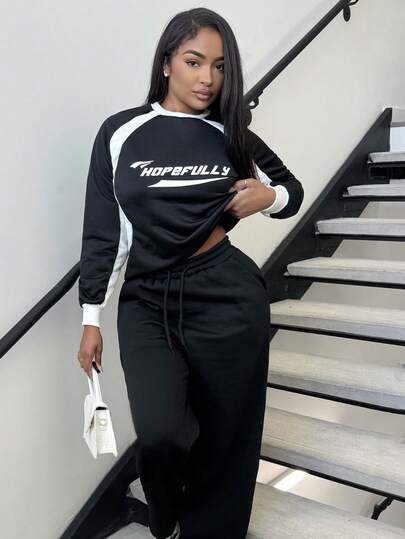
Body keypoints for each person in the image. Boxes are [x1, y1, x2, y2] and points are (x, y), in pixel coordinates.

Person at [77, 7, 304, 539]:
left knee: (227, 434)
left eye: (220, 67)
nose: (208, 79)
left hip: (225, 292)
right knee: (160, 433)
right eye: (194, 61)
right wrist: (91, 318)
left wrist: (268, 197)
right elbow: (105, 232)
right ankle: (167, 514)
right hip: (147, 299)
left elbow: (290, 190)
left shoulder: (229, 133)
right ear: (166, 63)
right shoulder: (121, 131)